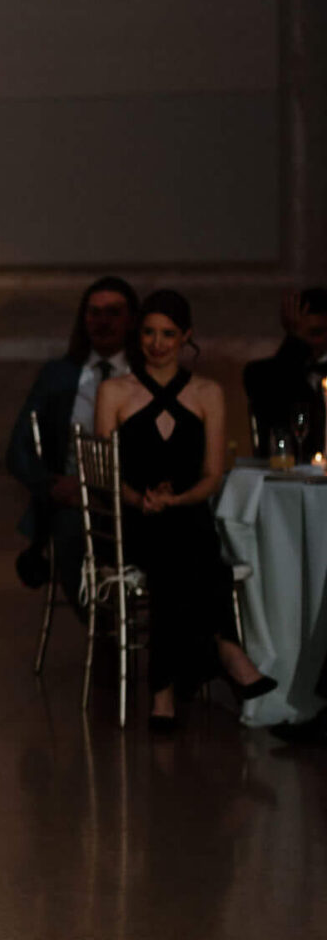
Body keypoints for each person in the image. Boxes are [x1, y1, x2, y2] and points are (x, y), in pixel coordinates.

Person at [94, 290, 277, 734]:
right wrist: (141, 499)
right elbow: (103, 472)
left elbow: (212, 474)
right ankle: (225, 647)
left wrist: (175, 499)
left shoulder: (208, 392)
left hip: (186, 513)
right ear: (139, 335)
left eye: (169, 334)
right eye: (150, 333)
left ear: (187, 337)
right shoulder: (114, 390)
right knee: (185, 552)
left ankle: (164, 690)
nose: (158, 343)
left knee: (185, 542)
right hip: (133, 518)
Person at [6, 276, 138, 593]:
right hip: (73, 499)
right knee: (72, 536)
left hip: (133, 496)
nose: (102, 321)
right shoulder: (59, 375)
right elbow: (18, 450)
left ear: (131, 319)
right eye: (94, 312)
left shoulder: (145, 374)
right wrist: (53, 485)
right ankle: (103, 630)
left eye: (113, 312)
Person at [243, 288, 327, 462]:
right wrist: (294, 343)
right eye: (300, 334)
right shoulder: (263, 374)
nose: (311, 342)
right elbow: (273, 404)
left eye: (315, 333)